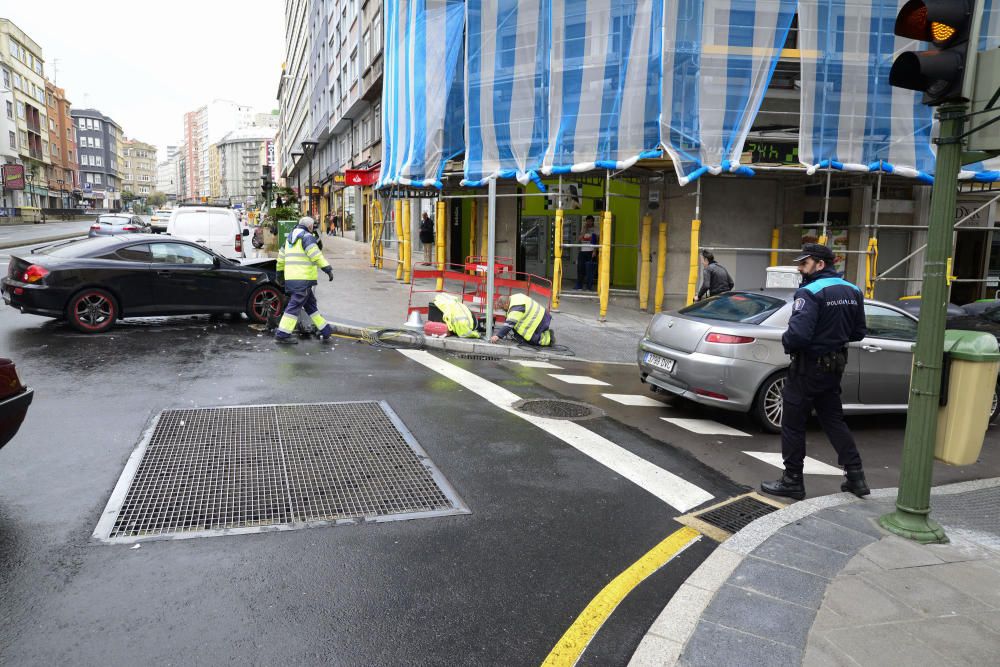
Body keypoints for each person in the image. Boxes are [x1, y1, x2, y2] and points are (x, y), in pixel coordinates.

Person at [761, 243, 870, 501]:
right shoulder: (853, 290)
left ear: (820, 264)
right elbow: (858, 332)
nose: (800, 268)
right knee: (833, 420)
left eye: (804, 263)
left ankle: (792, 481)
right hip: (834, 367)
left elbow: (797, 336)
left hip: (807, 367)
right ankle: (856, 476)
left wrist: (788, 340)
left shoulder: (809, 292)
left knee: (793, 423)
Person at [274, 216, 334, 345]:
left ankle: (325, 330)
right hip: (304, 279)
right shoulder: (307, 237)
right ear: (310, 226)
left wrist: (279, 274)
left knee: (311, 305)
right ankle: (282, 334)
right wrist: (327, 269)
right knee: (294, 306)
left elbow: (281, 258)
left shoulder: (289, 239)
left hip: (292, 279)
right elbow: (316, 255)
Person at [490, 294, 555, 347]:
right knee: (521, 336)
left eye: (503, 308)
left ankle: (549, 338)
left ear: (506, 303)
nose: (503, 310)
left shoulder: (516, 308)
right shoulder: (514, 298)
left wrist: (497, 336)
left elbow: (509, 324)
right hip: (542, 316)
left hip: (540, 320)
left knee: (533, 340)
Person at [575, 216, 598, 291]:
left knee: (590, 270)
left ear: (593, 221)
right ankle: (579, 286)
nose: (589, 223)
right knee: (580, 268)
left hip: (591, 251)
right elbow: (578, 239)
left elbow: (597, 240)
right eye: (587, 221)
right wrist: (584, 230)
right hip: (582, 251)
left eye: (590, 221)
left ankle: (589, 286)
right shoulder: (583, 228)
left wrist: (595, 251)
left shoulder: (596, 229)